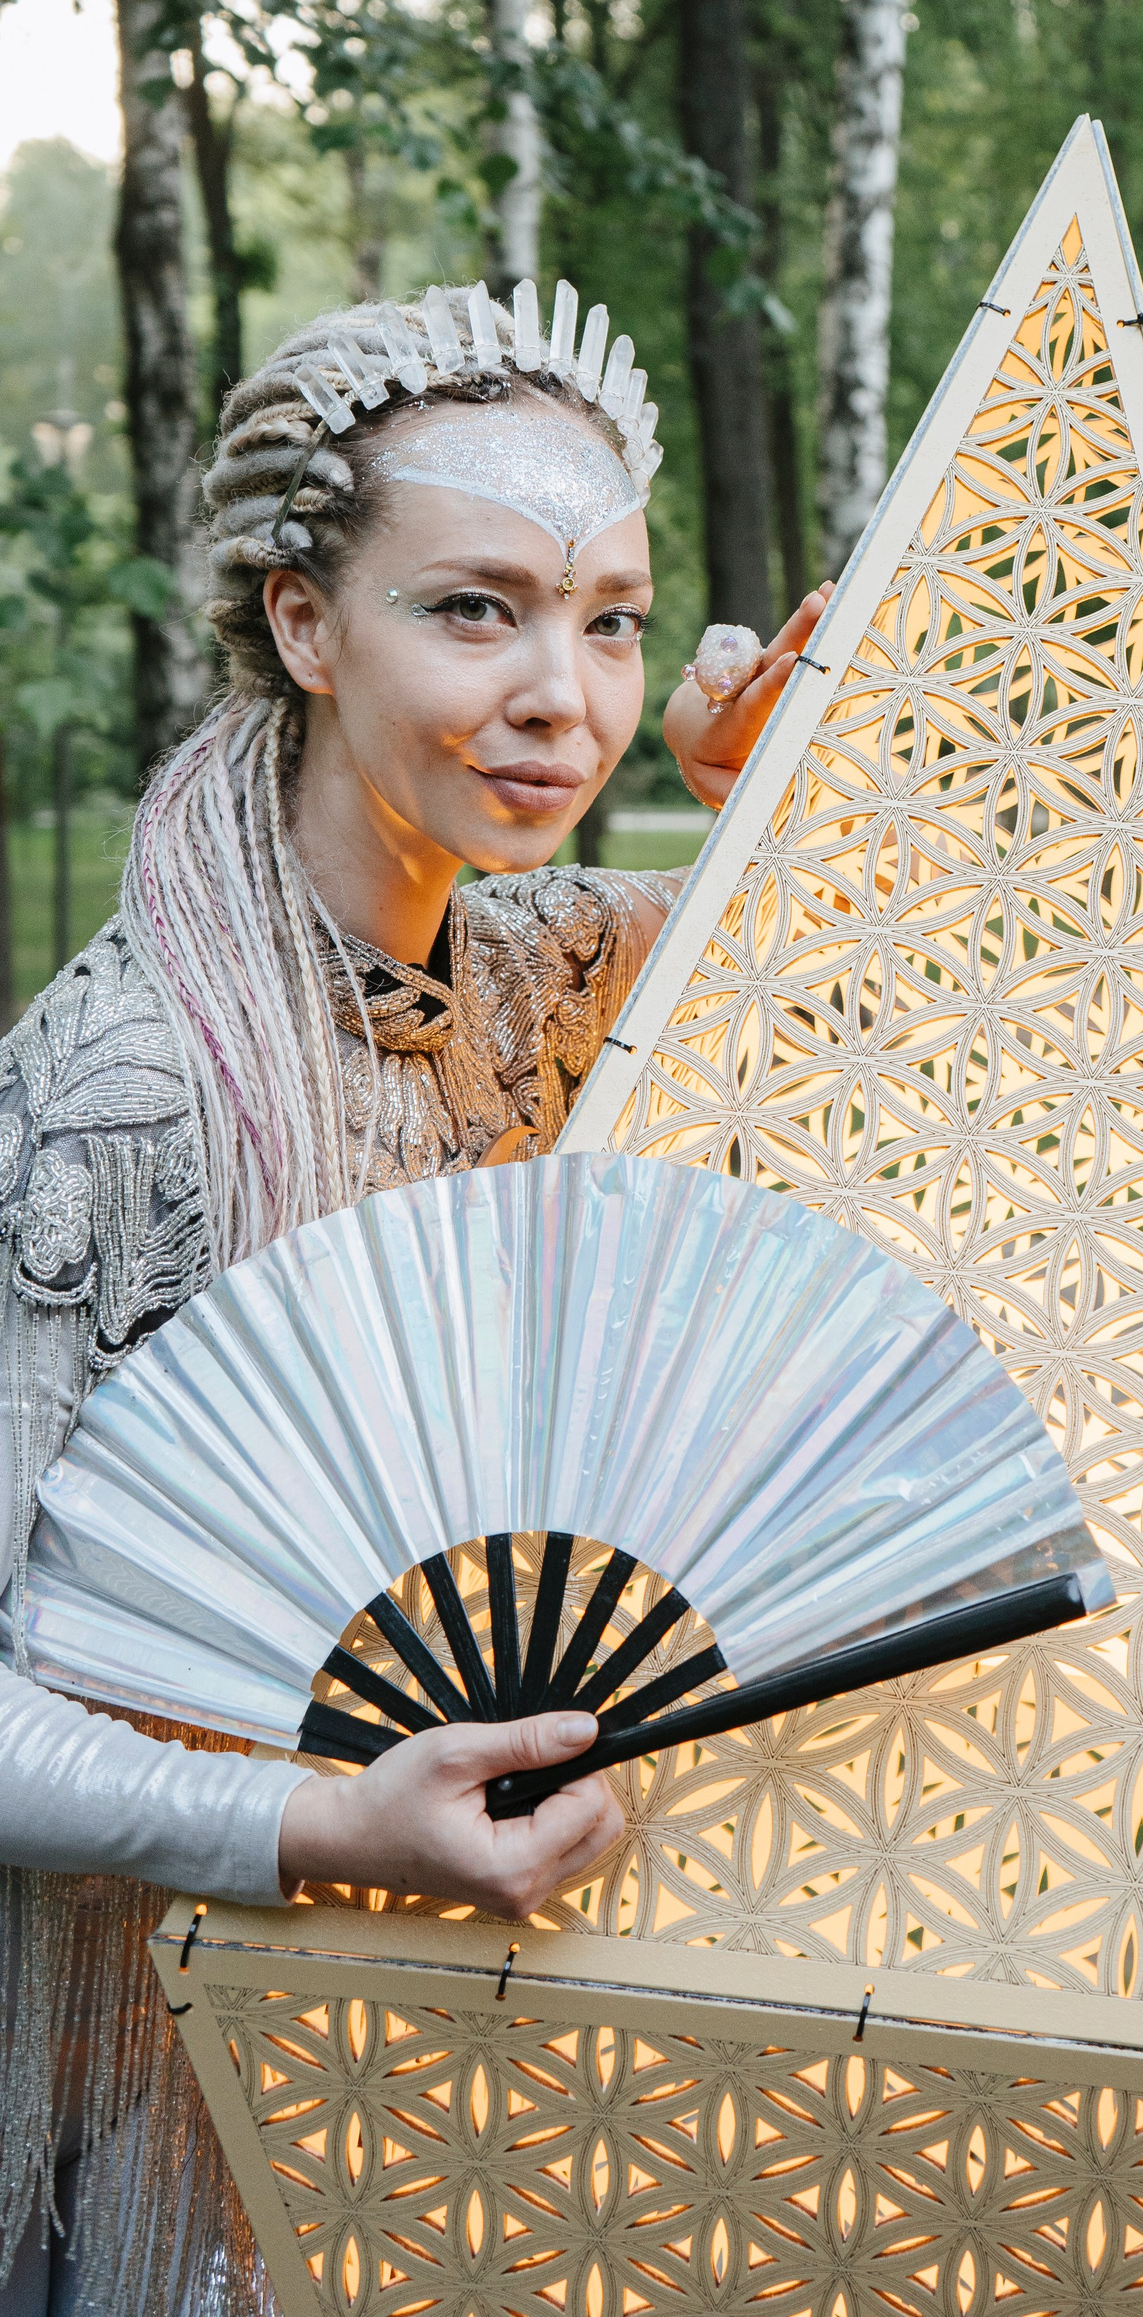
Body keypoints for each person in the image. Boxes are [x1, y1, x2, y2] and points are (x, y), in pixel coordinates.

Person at [0, 280, 822, 2316]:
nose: (566, 698)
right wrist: (320, 1829)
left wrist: (763, 780)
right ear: (303, 624)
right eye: (476, 611)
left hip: (480, 2055)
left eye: (613, 621)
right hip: (185, 2064)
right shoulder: (119, 1097)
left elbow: (881, 964)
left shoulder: (545, 970)